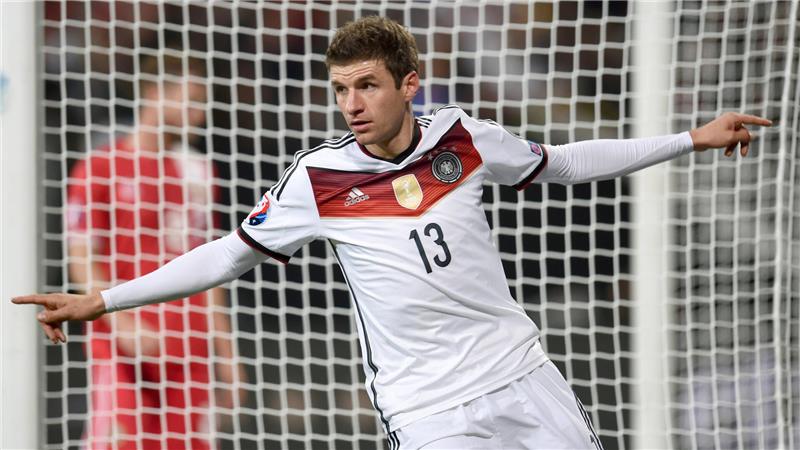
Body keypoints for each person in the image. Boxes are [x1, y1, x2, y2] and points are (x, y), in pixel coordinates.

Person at [16, 16, 771, 450]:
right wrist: (104, 301)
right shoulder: (318, 179)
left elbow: (564, 162)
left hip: (520, 372)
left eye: (367, 84)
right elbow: (229, 255)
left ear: (409, 84)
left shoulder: (463, 138)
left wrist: (690, 139)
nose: (350, 102)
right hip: (428, 407)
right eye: (340, 88)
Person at [63, 54, 243, 450]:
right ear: (156, 93)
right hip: (125, 346)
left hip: (188, 346)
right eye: (192, 102)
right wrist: (123, 325)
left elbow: (208, 267)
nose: (199, 115)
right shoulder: (98, 168)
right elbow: (81, 256)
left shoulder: (199, 172)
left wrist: (226, 352)